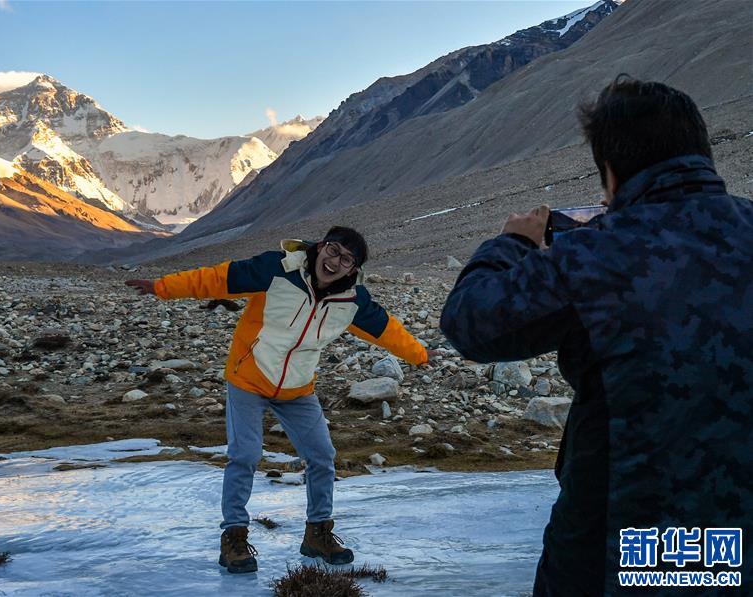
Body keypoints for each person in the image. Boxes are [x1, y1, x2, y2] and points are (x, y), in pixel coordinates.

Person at [439, 76, 752, 595]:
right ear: (702, 150)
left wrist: (512, 243)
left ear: (611, 173)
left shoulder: (595, 255)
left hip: (622, 525)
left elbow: (470, 322)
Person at [127, 227, 431, 574]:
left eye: (347, 260)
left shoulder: (351, 301)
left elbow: (387, 329)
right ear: (319, 247)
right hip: (248, 379)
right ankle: (234, 539)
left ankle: (317, 533)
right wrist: (162, 288)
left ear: (353, 270)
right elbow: (218, 279)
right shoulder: (277, 269)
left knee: (322, 457)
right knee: (244, 456)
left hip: (297, 391)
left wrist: (421, 354)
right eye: (333, 251)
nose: (335, 262)